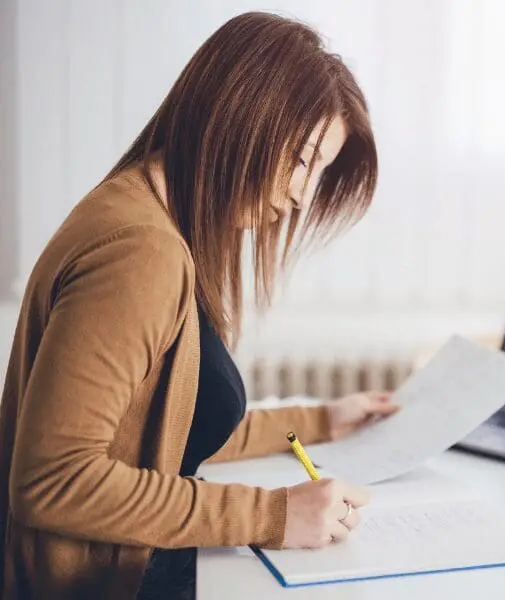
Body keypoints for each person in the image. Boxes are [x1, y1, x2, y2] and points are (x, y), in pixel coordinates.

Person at [0, 11, 397, 600]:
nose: (300, 196)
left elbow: (166, 433)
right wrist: (273, 516)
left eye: (320, 172)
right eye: (305, 159)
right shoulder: (141, 251)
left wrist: (322, 420)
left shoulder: (149, 216)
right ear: (242, 112)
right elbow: (55, 481)